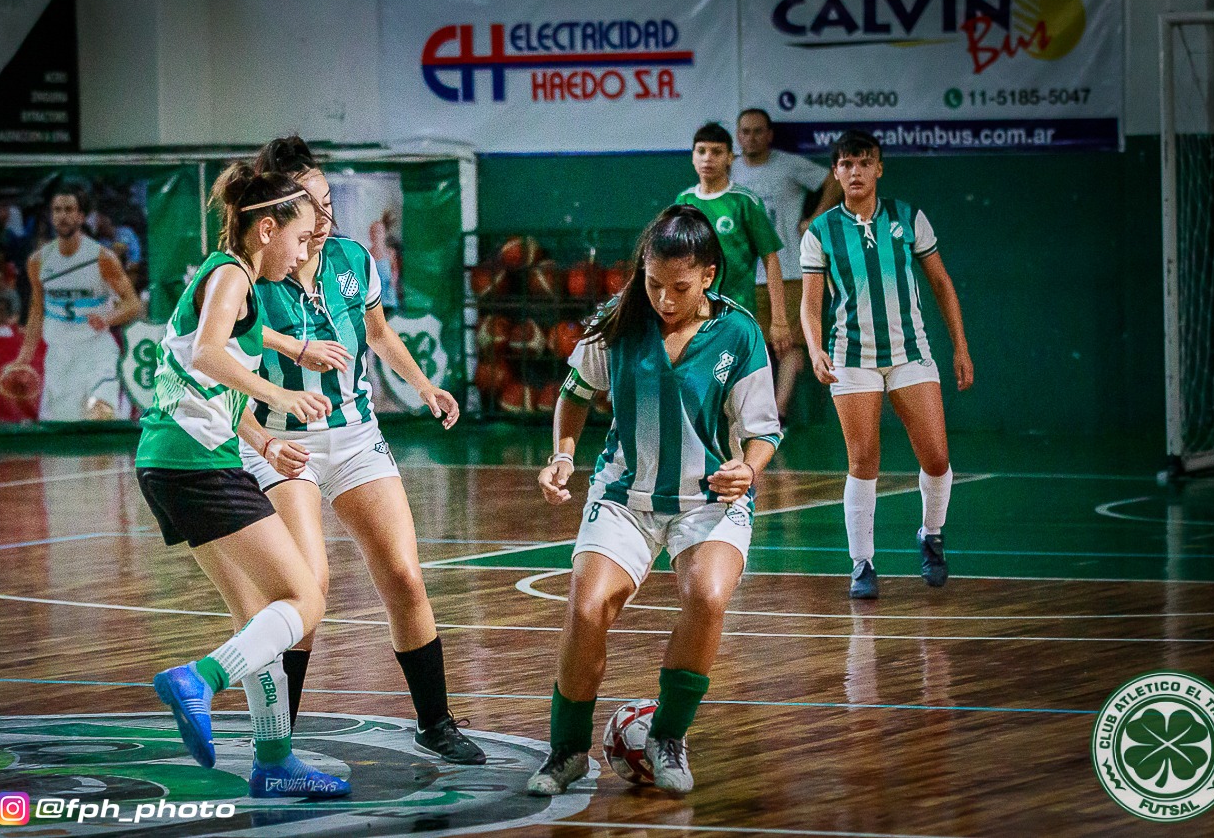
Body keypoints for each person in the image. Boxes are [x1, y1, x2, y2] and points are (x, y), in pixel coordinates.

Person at [241, 136, 485, 764]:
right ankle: (275, 745)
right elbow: (218, 374)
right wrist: (264, 438)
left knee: (404, 575)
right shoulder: (246, 277)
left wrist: (425, 385)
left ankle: (435, 722)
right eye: (310, 208)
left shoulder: (352, 258)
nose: (323, 221)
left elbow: (377, 333)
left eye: (328, 205)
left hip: (353, 434)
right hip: (281, 443)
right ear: (277, 214)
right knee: (309, 590)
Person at [526, 204, 782, 796]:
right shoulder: (617, 319)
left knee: (708, 596)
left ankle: (667, 735)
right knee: (587, 609)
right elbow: (575, 392)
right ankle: (565, 752)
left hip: (707, 498)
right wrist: (563, 454)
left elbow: (764, 429)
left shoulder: (739, 333)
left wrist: (748, 465)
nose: (665, 298)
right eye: (654, 283)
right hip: (624, 494)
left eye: (680, 287)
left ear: (709, 277)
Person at [138, 163, 351, 798]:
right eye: (301, 237)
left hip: (177, 461)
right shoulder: (230, 272)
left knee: (258, 614)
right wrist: (278, 393)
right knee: (305, 598)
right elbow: (206, 352)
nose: (305, 249)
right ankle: (199, 679)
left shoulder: (243, 287)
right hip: (194, 464)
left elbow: (204, 384)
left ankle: (273, 759)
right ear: (265, 230)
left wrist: (262, 437)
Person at [798, 130, 974, 600]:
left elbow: (940, 283)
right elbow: (809, 306)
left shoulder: (908, 217)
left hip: (910, 354)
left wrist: (959, 346)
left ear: (879, 169)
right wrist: (815, 348)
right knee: (863, 461)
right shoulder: (820, 232)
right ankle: (862, 564)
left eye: (865, 162)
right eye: (847, 164)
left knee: (936, 457)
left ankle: (931, 535)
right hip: (850, 359)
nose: (856, 171)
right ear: (836, 172)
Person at [733, 108, 842, 425]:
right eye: (746, 131)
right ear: (739, 137)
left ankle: (778, 412)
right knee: (753, 345)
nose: (752, 137)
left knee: (791, 343)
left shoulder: (789, 164)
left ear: (769, 135)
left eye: (758, 131)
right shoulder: (730, 171)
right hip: (745, 276)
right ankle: (753, 410)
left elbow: (832, 181)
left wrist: (815, 217)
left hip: (791, 270)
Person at [4, 185, 140, 420]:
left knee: (101, 416)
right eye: (57, 210)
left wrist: (107, 319)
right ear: (51, 215)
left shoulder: (102, 258)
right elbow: (37, 311)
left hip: (97, 352)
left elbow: (133, 304)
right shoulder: (38, 261)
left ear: (81, 216)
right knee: (63, 444)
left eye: (69, 209)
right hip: (59, 357)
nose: (62, 215)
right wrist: (23, 358)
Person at [675, 122, 791, 359]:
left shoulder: (745, 202)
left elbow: (771, 260)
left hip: (737, 314)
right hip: (692, 318)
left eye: (716, 152)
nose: (708, 158)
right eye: (701, 151)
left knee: (738, 390)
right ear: (692, 157)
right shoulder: (683, 200)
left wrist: (779, 320)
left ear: (730, 158)